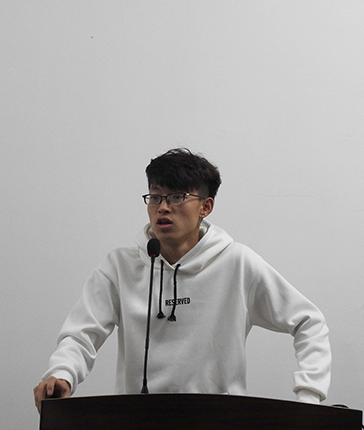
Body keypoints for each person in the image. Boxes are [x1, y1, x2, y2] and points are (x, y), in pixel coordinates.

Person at [34, 148, 331, 412]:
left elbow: (309, 322)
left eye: (177, 197)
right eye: (155, 197)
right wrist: (62, 374)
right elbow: (81, 334)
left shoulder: (237, 263)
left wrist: (309, 397)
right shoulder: (120, 266)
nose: (163, 207)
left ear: (205, 207)